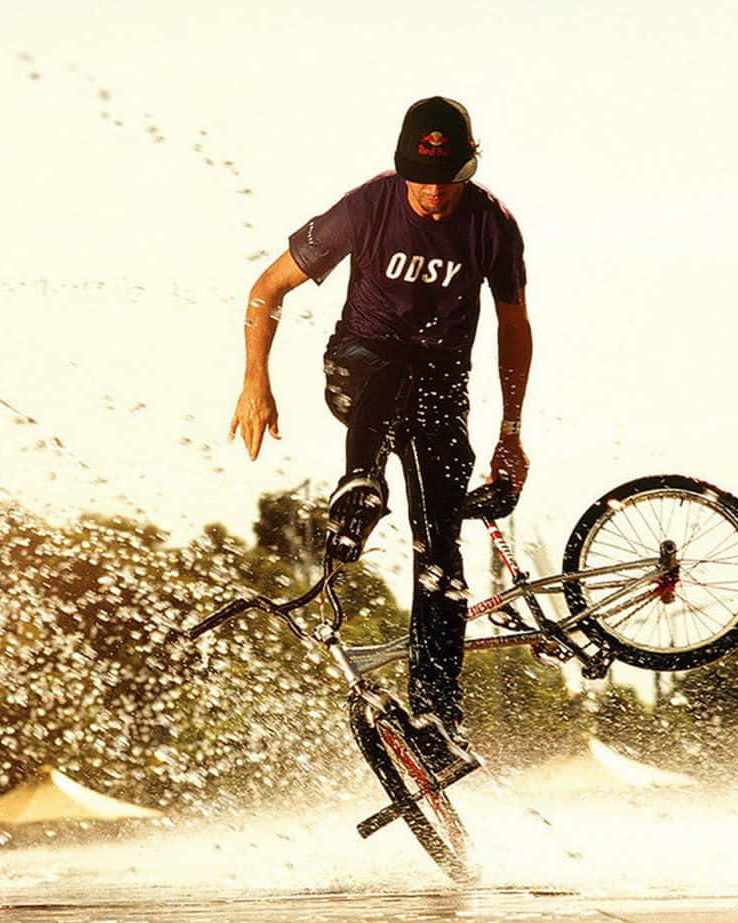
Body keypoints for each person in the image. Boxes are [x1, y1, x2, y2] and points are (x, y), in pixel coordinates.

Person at [228, 96, 532, 774]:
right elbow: (267, 287)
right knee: (392, 365)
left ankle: (435, 717)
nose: (430, 195)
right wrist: (256, 382)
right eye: (418, 179)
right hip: (357, 373)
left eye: (444, 180)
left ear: (469, 167)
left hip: (441, 401)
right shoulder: (367, 206)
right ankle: (359, 484)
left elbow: (514, 325)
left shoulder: (490, 225)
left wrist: (510, 430)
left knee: (440, 551)